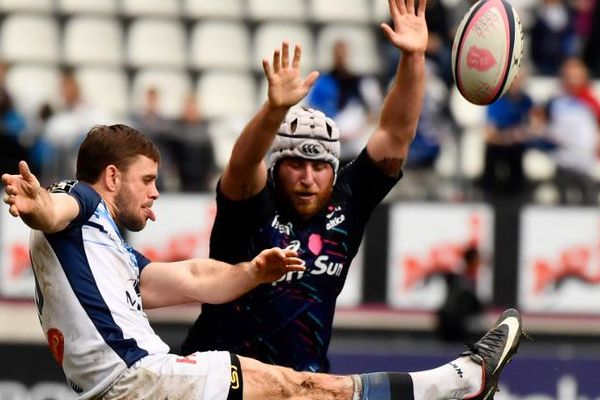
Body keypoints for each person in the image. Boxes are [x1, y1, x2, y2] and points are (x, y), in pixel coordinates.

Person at [3, 123, 522, 399]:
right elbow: (57, 208)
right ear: (112, 177)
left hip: (135, 387)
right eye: (147, 180)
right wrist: (39, 205)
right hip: (142, 379)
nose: (156, 193)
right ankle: (457, 384)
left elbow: (192, 276)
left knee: (295, 388)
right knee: (294, 385)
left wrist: (254, 271)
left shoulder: (109, 250)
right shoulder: (81, 203)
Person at [181, 0, 483, 374]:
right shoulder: (251, 206)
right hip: (218, 382)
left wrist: (413, 58)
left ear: (334, 170)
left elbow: (395, 133)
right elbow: (242, 165)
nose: (308, 178)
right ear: (276, 169)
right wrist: (273, 112)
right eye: (295, 165)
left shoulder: (348, 203)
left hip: (304, 389)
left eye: (320, 166)